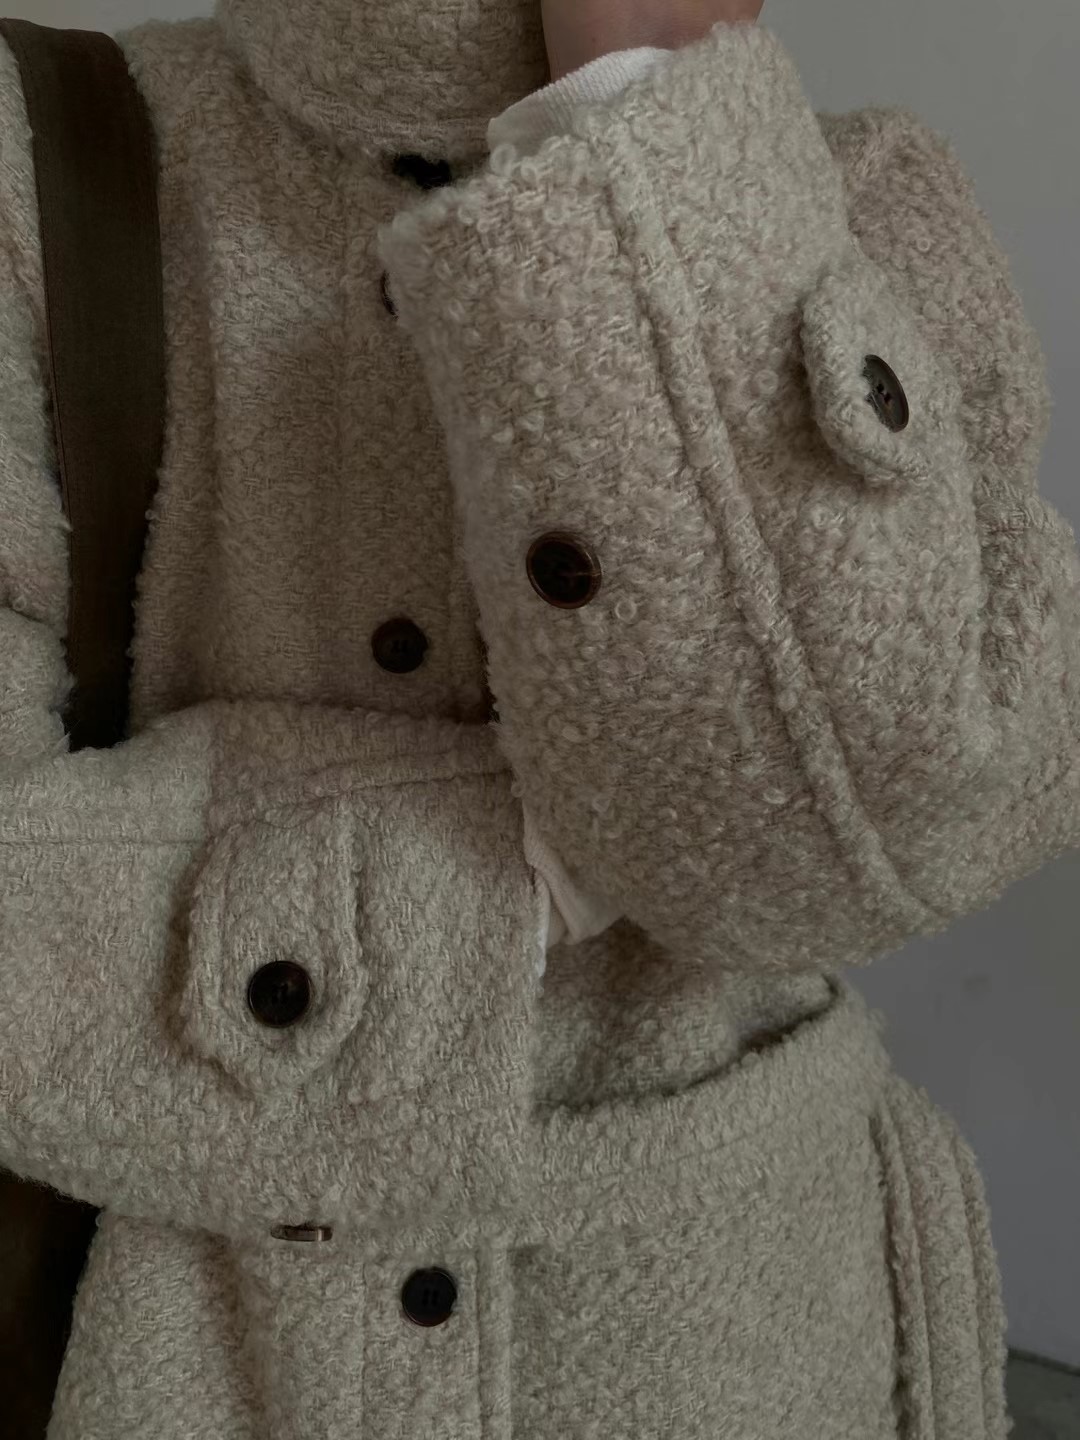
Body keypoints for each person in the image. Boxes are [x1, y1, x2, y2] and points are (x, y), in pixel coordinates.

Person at [0, 0, 1076, 1435]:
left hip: (753, 1353)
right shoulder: (43, 159)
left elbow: (866, 840)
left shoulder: (853, 202)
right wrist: (528, 872)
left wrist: (638, 110)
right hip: (191, 1362)